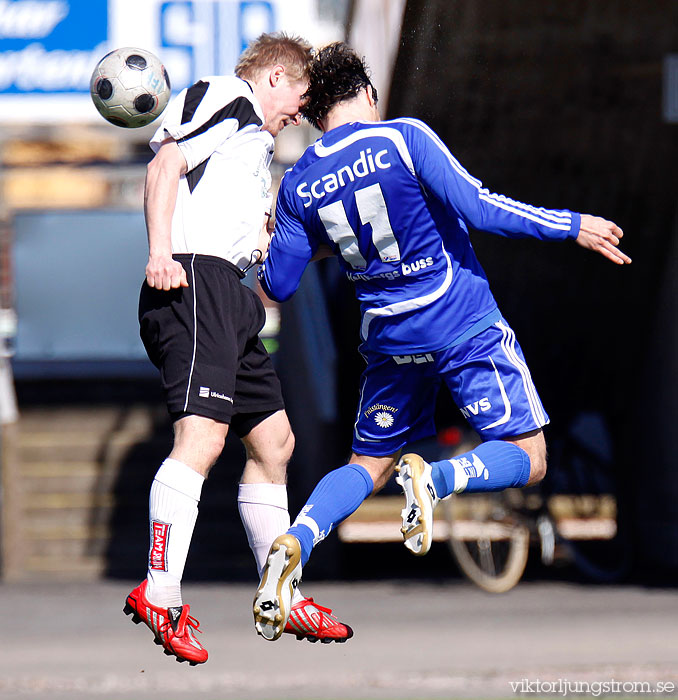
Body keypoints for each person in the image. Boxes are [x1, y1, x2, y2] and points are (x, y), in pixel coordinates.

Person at [252, 42, 632, 641]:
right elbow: (478, 208)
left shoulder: (300, 183)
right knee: (530, 456)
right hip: (459, 320)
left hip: (389, 338)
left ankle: (297, 539)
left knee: (367, 464)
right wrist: (570, 224)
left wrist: (289, 233)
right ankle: (438, 479)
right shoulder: (403, 137)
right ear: (368, 95)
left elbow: (278, 282)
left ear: (317, 108)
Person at [123, 33, 352, 666]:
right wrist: (160, 254)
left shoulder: (257, 146)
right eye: (301, 97)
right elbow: (163, 165)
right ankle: (161, 591)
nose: (300, 113)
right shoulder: (230, 97)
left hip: (232, 297)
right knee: (202, 439)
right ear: (274, 78)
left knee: (275, 441)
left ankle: (281, 590)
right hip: (193, 281)